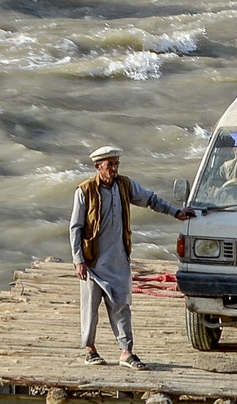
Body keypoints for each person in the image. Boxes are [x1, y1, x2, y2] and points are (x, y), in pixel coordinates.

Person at [69, 145, 194, 371]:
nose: (114, 169)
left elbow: (150, 199)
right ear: (98, 167)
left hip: (118, 261)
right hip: (93, 262)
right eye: (110, 165)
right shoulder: (84, 191)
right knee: (90, 308)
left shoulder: (125, 186)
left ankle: (126, 352)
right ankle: (90, 349)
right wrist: (78, 259)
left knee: (122, 306)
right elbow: (75, 228)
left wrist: (175, 212)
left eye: (117, 164)